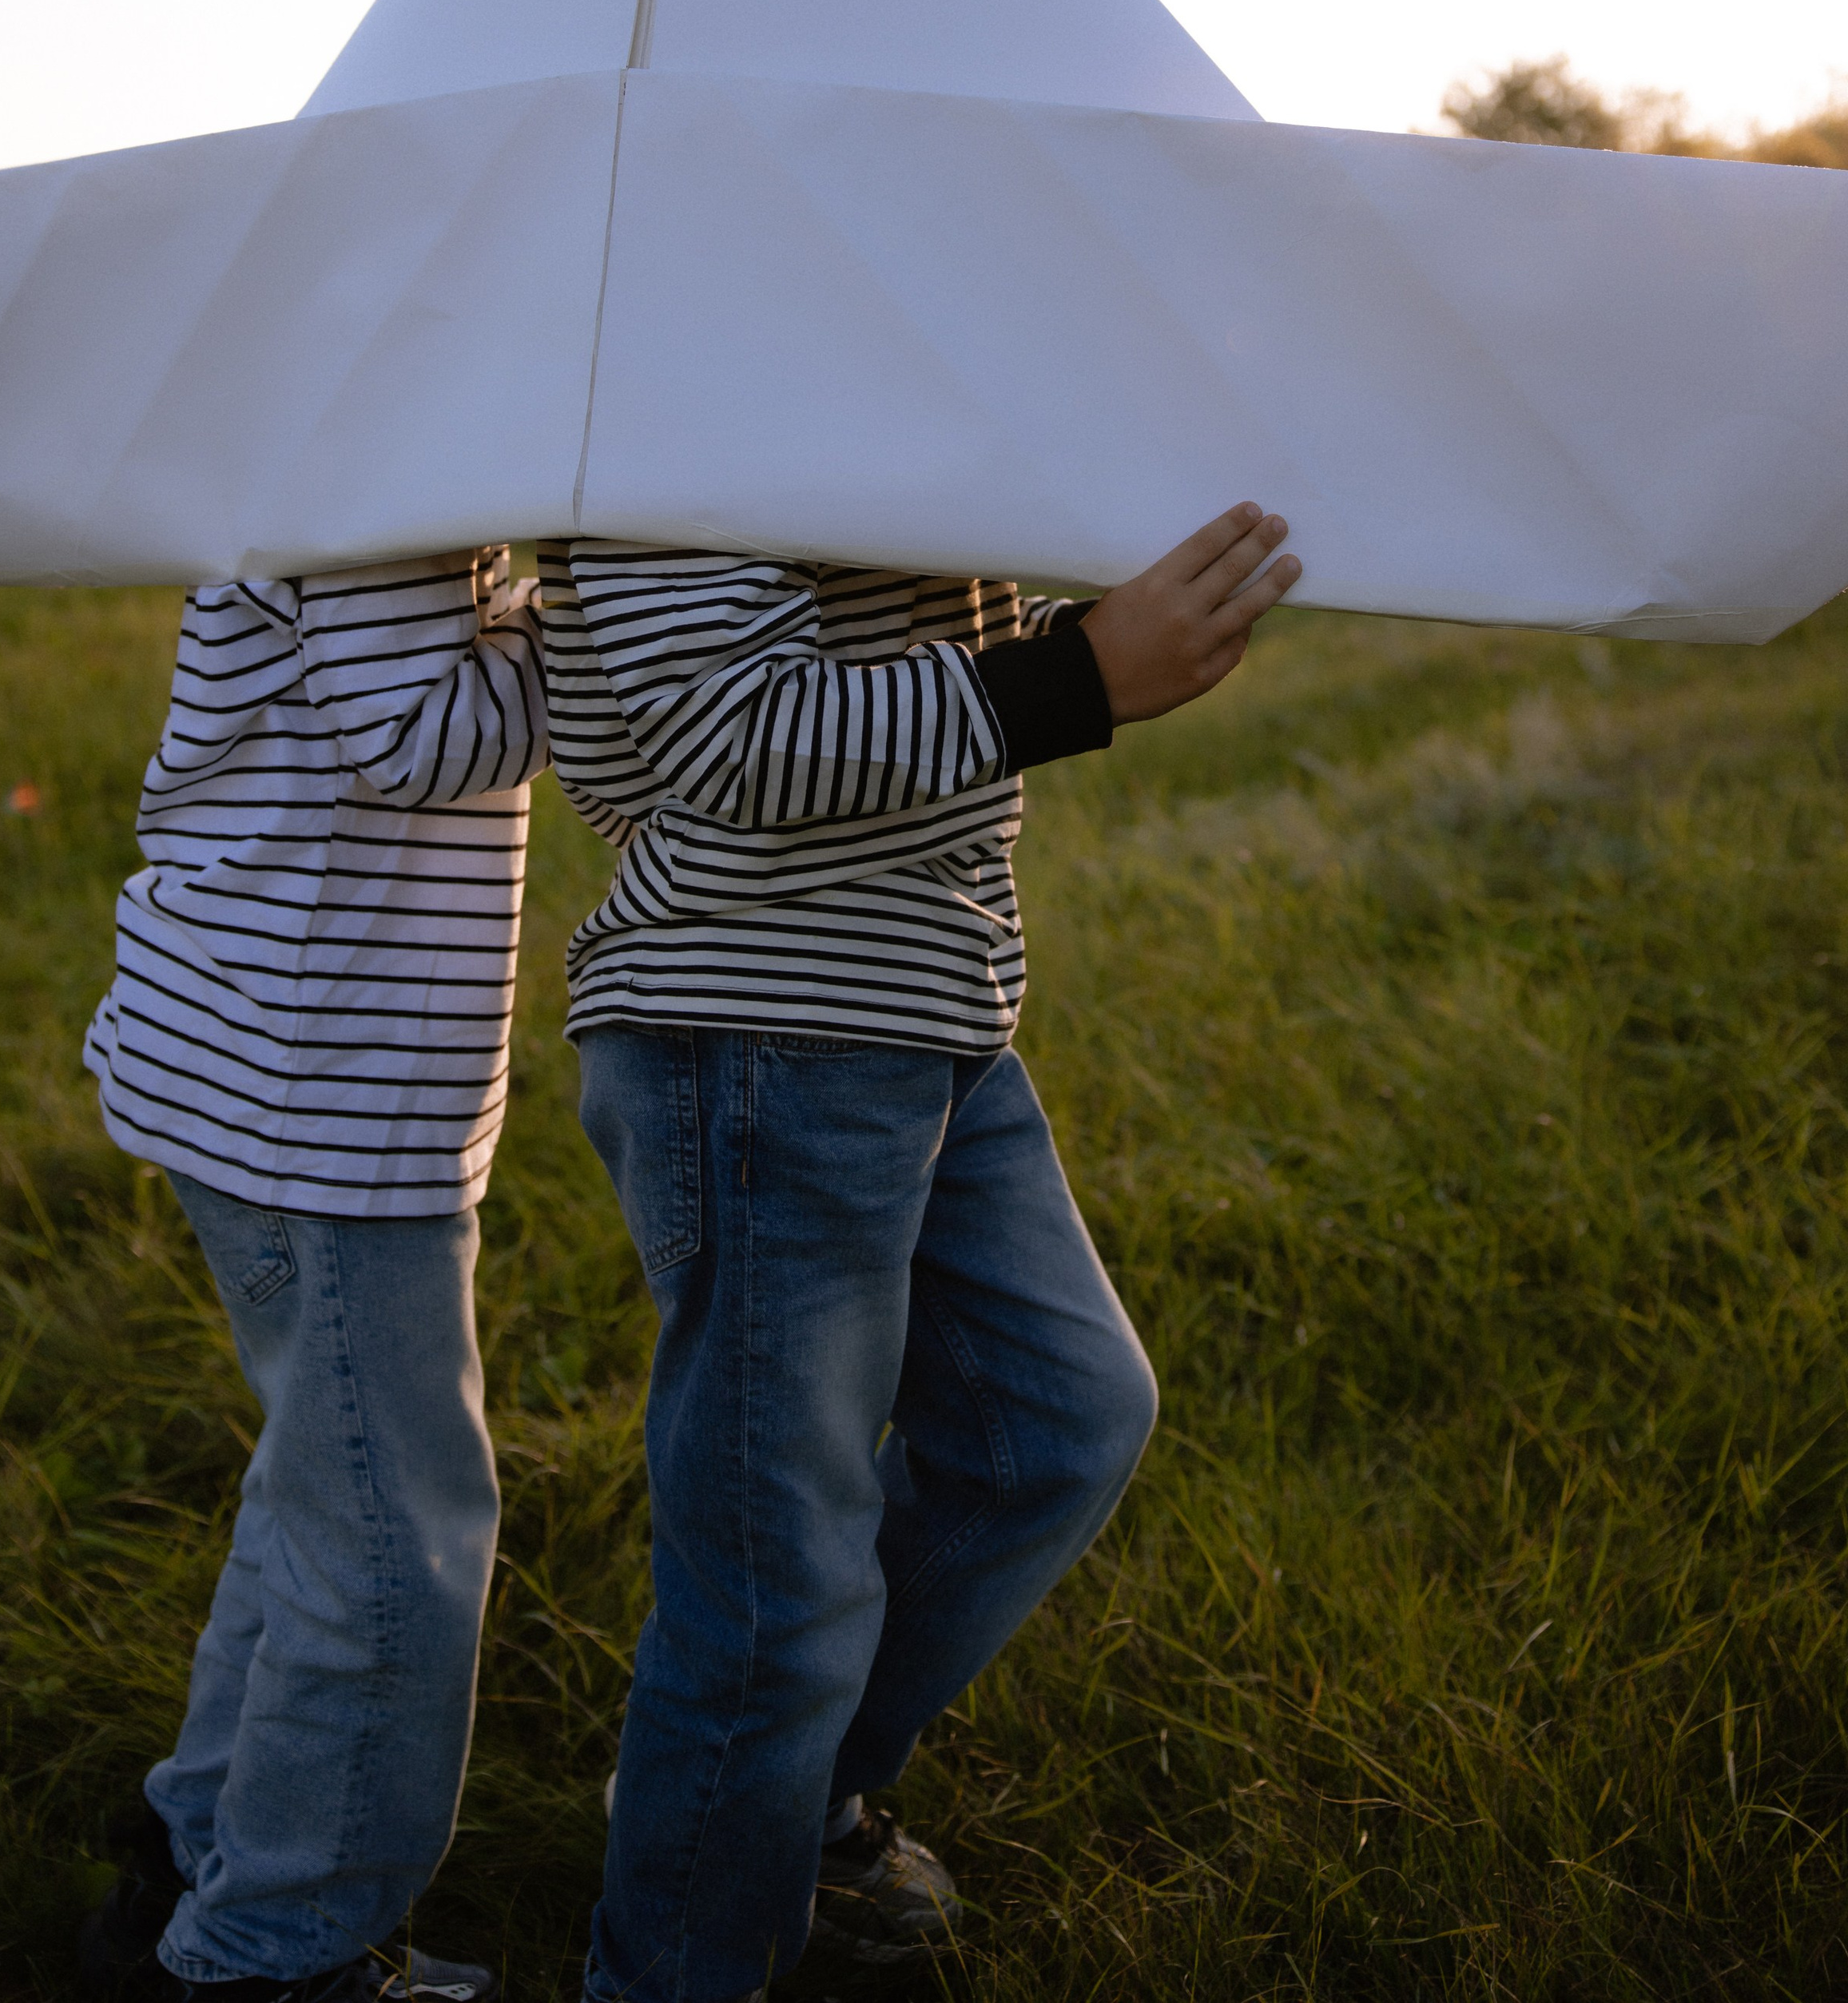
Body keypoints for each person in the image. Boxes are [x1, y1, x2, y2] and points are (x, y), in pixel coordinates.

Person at [538, 500, 1299, 2003]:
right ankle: (678, 1964)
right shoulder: (694, 348)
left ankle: (772, 1805)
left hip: (926, 996)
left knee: (1057, 1417)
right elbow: (727, 735)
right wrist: (1075, 676)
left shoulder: (867, 334)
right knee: (774, 1575)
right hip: (767, 1014)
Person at [77, 548, 549, 2003]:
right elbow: (411, 736)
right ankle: (274, 1949)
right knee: (396, 1548)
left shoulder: (381, 465)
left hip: (301, 1090)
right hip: (312, 1110)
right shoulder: (380, 485)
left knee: (323, 1492)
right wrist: (602, 615)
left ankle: (210, 1842)